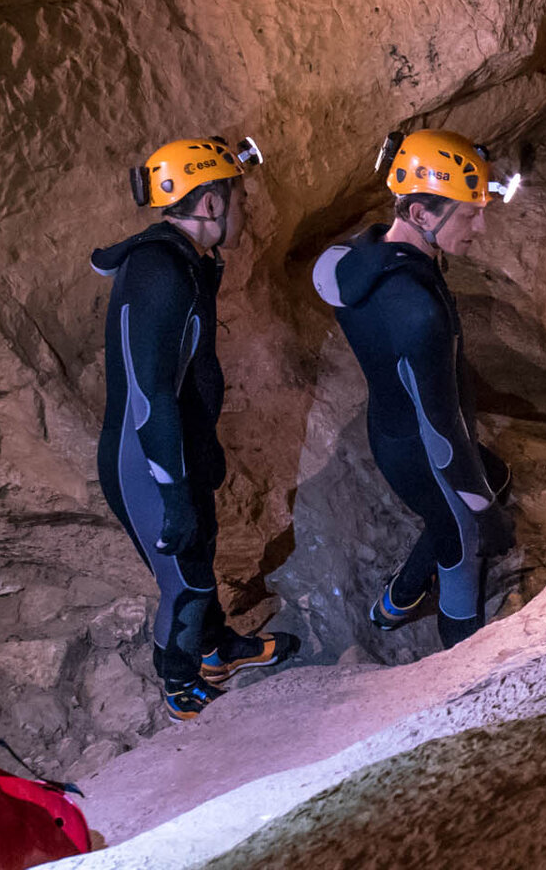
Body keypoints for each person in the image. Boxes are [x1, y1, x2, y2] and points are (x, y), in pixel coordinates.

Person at [93, 134, 299, 721]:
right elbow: (147, 393)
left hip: (172, 444)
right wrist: (172, 489)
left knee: (199, 563)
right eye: (237, 195)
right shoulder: (161, 272)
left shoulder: (183, 260)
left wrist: (198, 450)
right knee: (185, 583)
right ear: (209, 205)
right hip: (145, 456)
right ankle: (180, 688)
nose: (245, 207)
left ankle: (219, 652)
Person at [313, 129, 520, 651]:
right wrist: (484, 515)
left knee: (496, 476)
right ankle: (461, 654)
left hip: (391, 428)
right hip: (423, 450)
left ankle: (397, 599)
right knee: (462, 540)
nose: (481, 224)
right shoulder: (418, 313)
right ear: (422, 214)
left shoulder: (350, 258)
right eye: (469, 212)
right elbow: (444, 435)